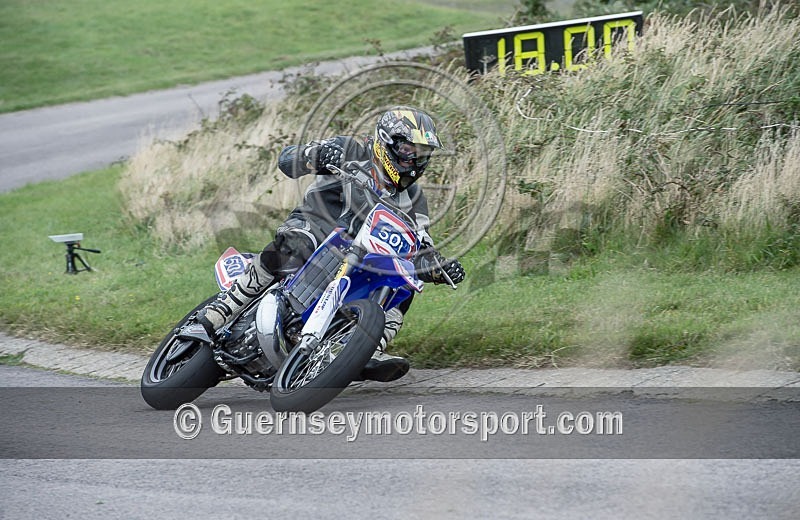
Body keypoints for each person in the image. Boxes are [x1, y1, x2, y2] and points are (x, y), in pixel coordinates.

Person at [196, 106, 465, 382]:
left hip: (362, 261)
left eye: (422, 154)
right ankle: (221, 310)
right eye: (409, 150)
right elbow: (287, 160)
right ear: (388, 141)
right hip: (315, 228)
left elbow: (418, 246)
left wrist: (436, 266)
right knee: (297, 244)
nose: (414, 160)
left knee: (403, 286)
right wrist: (316, 156)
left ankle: (367, 348)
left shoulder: (416, 200)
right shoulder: (350, 149)